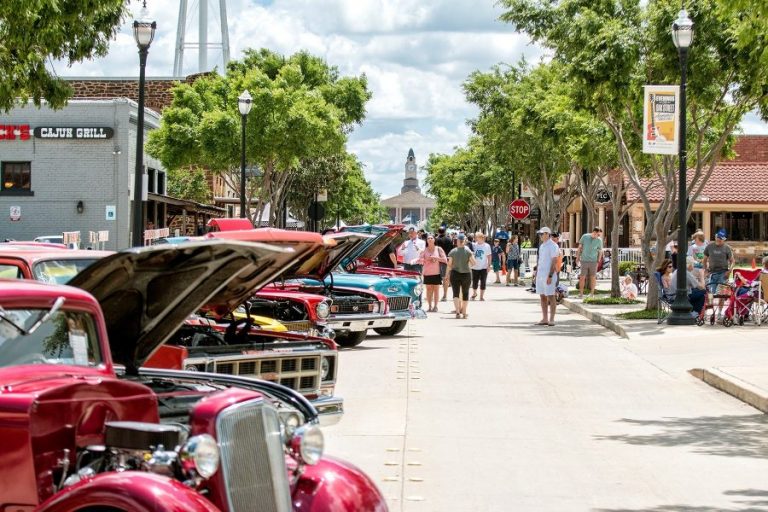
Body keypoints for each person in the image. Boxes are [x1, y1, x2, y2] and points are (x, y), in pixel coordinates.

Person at [534, 227, 559, 326]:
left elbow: (554, 261)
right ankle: (545, 318)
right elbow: (540, 261)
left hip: (549, 275)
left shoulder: (553, 246)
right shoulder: (542, 246)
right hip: (541, 274)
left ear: (547, 234)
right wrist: (536, 274)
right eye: (540, 234)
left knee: (551, 296)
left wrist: (550, 275)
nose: (540, 236)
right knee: (542, 296)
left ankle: (552, 319)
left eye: (541, 234)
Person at [447, 233, 475, 319]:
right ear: (465, 241)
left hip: (455, 273)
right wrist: (467, 266)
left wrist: (448, 274)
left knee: (455, 293)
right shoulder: (468, 251)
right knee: (465, 293)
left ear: (458, 241)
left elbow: (449, 264)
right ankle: (464, 312)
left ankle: (458, 312)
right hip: (466, 274)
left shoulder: (453, 251)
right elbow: (474, 262)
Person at [419, 235, 448, 312]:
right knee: (428, 290)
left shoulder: (438, 249)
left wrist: (436, 258)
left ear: (434, 240)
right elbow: (420, 260)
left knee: (436, 290)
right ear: (427, 240)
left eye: (432, 238)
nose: (430, 239)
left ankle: (435, 306)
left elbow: (445, 259)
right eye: (428, 238)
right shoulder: (424, 250)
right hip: (427, 273)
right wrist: (426, 259)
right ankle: (429, 306)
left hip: (437, 273)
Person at [703, 230, 734, 294]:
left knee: (721, 294)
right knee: (711, 293)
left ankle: (721, 304)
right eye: (717, 237)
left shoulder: (727, 248)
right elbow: (704, 260)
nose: (718, 239)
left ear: (724, 239)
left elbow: (732, 261)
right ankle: (712, 304)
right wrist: (705, 270)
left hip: (723, 273)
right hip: (712, 273)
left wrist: (729, 271)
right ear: (715, 237)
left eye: (720, 238)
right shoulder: (709, 247)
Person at [575, 226, 604, 298]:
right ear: (594, 232)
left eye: (599, 235)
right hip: (584, 260)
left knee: (593, 277)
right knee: (582, 277)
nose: (598, 236)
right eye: (598, 234)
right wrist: (577, 258)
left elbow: (600, 250)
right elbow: (579, 247)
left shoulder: (599, 240)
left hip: (594, 261)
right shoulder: (585, 237)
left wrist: (598, 260)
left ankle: (592, 293)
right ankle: (581, 293)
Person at [470, 232, 492, 300]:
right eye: (475, 237)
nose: (475, 238)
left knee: (483, 282)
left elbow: (489, 256)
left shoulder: (487, 246)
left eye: (476, 237)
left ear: (481, 237)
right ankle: (474, 293)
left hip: (483, 267)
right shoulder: (473, 245)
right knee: (474, 282)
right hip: (475, 267)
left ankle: (481, 296)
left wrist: (489, 265)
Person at [435, 227, 454, 302]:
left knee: (437, 279)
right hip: (447, 260)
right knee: (446, 278)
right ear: (445, 231)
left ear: (438, 231)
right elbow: (452, 250)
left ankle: (436, 295)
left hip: (437, 260)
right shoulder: (449, 239)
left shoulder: (436, 239)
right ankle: (445, 295)